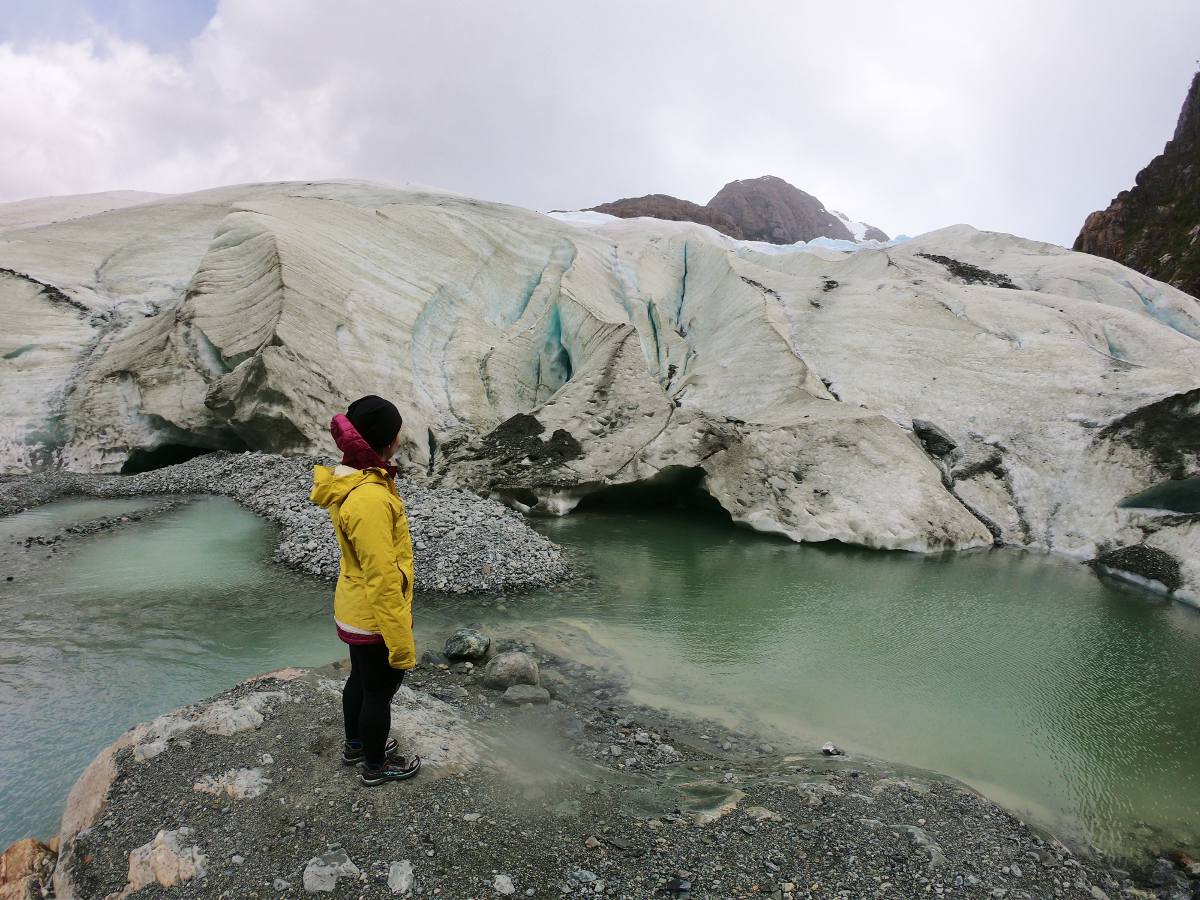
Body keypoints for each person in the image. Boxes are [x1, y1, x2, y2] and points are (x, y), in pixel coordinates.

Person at [310, 395, 421, 786]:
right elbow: (382, 576)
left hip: (354, 606)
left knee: (360, 679)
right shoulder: (371, 497)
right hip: (373, 612)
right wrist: (400, 638)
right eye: (397, 432)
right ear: (387, 440)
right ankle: (376, 765)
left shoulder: (355, 479)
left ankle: (357, 744)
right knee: (379, 690)